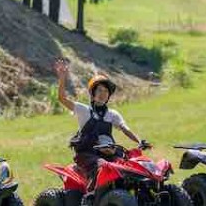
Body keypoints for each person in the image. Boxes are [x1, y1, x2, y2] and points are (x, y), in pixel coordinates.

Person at [54, 58, 149, 196]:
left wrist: (139, 141)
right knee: (103, 166)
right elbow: (62, 99)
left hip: (110, 154)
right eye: (99, 90)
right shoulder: (83, 110)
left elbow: (125, 129)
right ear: (92, 94)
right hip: (87, 154)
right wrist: (62, 78)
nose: (103, 94)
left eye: (106, 91)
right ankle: (90, 196)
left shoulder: (112, 114)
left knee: (130, 168)